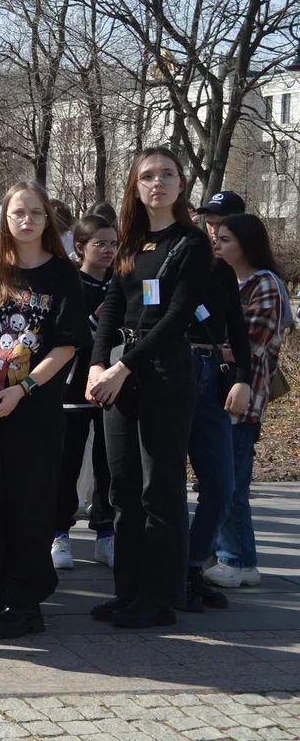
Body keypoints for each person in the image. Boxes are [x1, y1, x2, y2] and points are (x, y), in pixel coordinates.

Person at [0, 181, 89, 638]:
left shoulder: (62, 275)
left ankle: (26, 600)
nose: (26, 220)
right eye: (17, 213)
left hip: (33, 410)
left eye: (35, 212)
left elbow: (67, 347)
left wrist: (24, 389)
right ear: (4, 220)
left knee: (30, 502)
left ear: (47, 219)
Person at [86, 147, 212, 628]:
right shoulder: (130, 243)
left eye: (167, 174)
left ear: (181, 185)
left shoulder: (191, 243)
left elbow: (176, 316)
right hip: (122, 373)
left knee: (161, 487)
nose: (157, 182)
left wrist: (125, 368)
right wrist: (99, 364)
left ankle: (161, 598)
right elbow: (112, 310)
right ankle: (130, 591)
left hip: (162, 372)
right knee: (122, 486)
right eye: (147, 176)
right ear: (135, 187)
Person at [207, 213, 290, 589]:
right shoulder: (225, 280)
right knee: (220, 478)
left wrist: (209, 348)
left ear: (245, 243)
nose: (217, 244)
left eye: (225, 239)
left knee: (234, 482)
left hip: (245, 394)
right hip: (216, 391)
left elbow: (251, 345)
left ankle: (239, 560)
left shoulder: (265, 284)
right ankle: (226, 554)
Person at [181, 191, 253, 612]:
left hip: (213, 379)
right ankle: (169, 570)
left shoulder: (222, 271)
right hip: (172, 372)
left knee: (222, 484)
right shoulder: (169, 263)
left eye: (221, 223)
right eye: (208, 221)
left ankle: (192, 566)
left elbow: (239, 331)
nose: (214, 230)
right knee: (163, 485)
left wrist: (242, 379)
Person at [52, 214, 118, 570]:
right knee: (67, 462)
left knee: (109, 463)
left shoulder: (121, 283)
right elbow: (61, 332)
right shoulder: (69, 282)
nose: (108, 251)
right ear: (80, 247)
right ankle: (59, 532)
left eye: (113, 243)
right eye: (100, 244)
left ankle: (106, 534)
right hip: (71, 387)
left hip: (114, 386)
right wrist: (94, 323)